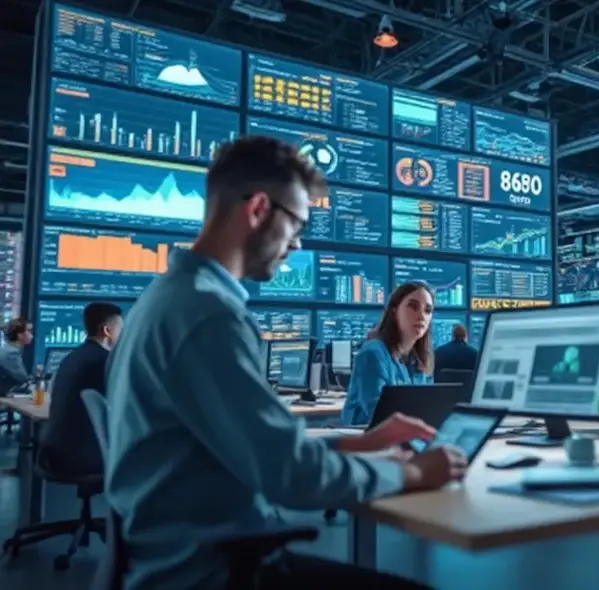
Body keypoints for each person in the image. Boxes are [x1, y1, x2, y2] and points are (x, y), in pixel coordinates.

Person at [104, 137, 466, 590]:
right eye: (295, 224)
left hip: (179, 556)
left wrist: (363, 443)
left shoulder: (168, 298)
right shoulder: (207, 316)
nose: (296, 244)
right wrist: (412, 472)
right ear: (258, 209)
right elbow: (290, 474)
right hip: (214, 573)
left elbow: (265, 448)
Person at [39, 302, 122, 477]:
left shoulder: (72, 357)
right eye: (121, 329)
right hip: (83, 458)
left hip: (52, 453)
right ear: (108, 331)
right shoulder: (106, 361)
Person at [340, 282, 435, 426]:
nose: (422, 316)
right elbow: (380, 415)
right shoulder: (373, 354)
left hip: (404, 438)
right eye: (413, 306)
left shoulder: (419, 362)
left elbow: (426, 410)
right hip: (367, 441)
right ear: (394, 311)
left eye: (428, 310)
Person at [0, 318, 32, 394]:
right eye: (29, 331)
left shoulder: (6, 348)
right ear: (19, 334)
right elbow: (22, 377)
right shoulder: (12, 353)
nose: (31, 335)